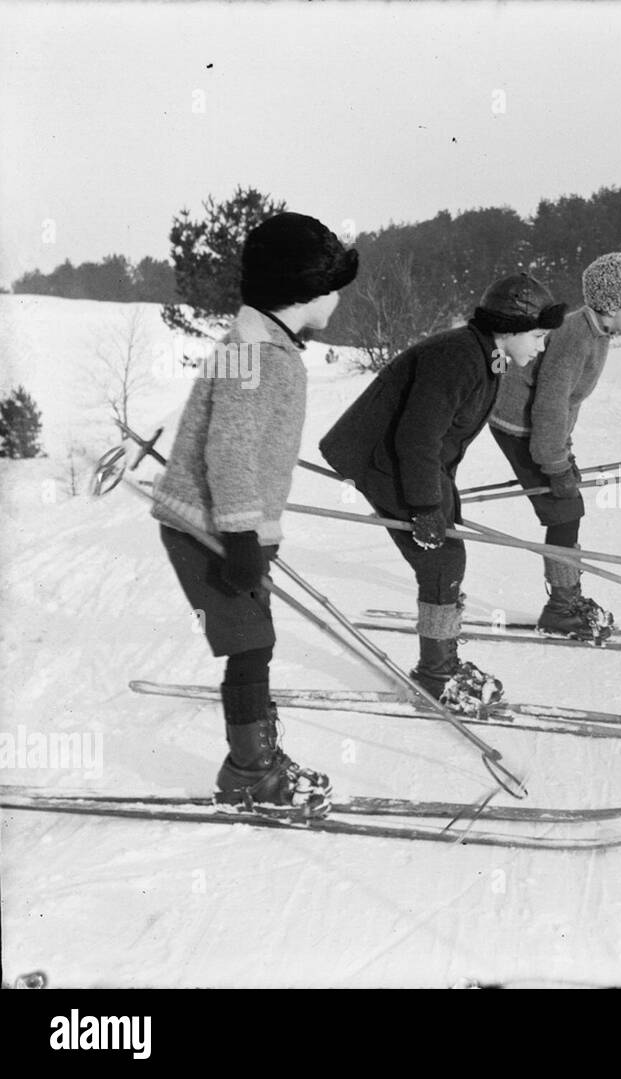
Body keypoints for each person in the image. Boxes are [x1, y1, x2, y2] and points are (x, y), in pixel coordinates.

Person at [151, 212, 358, 818]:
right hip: (208, 526)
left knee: (254, 642)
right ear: (303, 290)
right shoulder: (258, 354)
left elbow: (249, 443)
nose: (339, 297)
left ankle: (255, 763)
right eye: (332, 285)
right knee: (250, 642)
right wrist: (243, 537)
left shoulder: (265, 345)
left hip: (229, 524)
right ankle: (250, 772)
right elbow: (230, 452)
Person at [320, 273, 565, 712]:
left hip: (407, 458)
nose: (541, 346)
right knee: (442, 559)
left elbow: (444, 436)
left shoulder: (484, 356)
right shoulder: (459, 357)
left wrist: (442, 500)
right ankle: (436, 675)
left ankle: (442, 660)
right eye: (538, 335)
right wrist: (426, 507)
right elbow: (417, 437)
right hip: (382, 458)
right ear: (510, 328)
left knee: (446, 547)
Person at [488, 252, 621, 642]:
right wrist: (555, 464)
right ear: (613, 306)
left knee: (567, 509)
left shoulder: (597, 331)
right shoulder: (578, 337)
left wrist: (564, 452)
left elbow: (567, 403)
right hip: (519, 426)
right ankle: (561, 608)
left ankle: (567, 598)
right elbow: (550, 403)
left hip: (540, 428)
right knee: (564, 510)